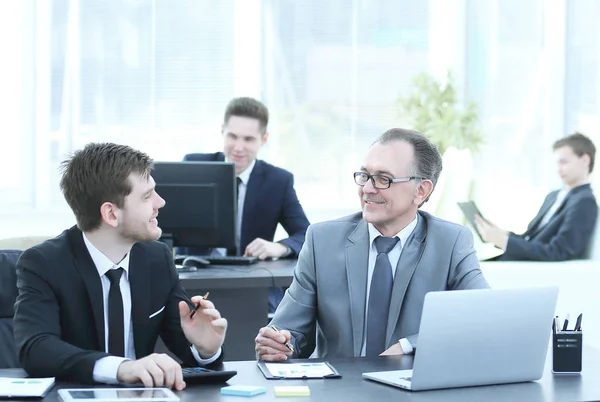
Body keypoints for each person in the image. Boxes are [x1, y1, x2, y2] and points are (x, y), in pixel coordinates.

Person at [254, 128, 489, 361]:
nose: (367, 188)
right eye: (365, 175)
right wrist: (281, 344)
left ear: (421, 190)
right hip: (341, 390)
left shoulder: (450, 242)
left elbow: (484, 317)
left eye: (383, 179)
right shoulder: (321, 240)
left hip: (413, 387)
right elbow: (290, 330)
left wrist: (408, 345)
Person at [13, 143, 227, 389]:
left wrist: (205, 349)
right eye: (147, 196)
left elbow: (186, 346)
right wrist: (120, 368)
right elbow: (36, 348)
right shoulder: (44, 264)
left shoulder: (156, 259)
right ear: (111, 214)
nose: (161, 202)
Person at [184, 97, 311, 312]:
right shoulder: (193, 166)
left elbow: (306, 234)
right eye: (232, 136)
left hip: (250, 281)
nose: (238, 147)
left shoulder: (278, 181)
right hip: (197, 278)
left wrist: (280, 247)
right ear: (222, 131)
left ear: (264, 139)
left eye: (248, 139)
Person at [475, 133, 598, 261]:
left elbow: (558, 251)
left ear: (585, 161)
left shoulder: (584, 201)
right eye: (557, 163)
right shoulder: (553, 196)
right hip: (515, 262)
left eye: (564, 162)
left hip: (528, 270)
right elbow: (530, 239)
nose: (558, 169)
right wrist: (500, 234)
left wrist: (505, 241)